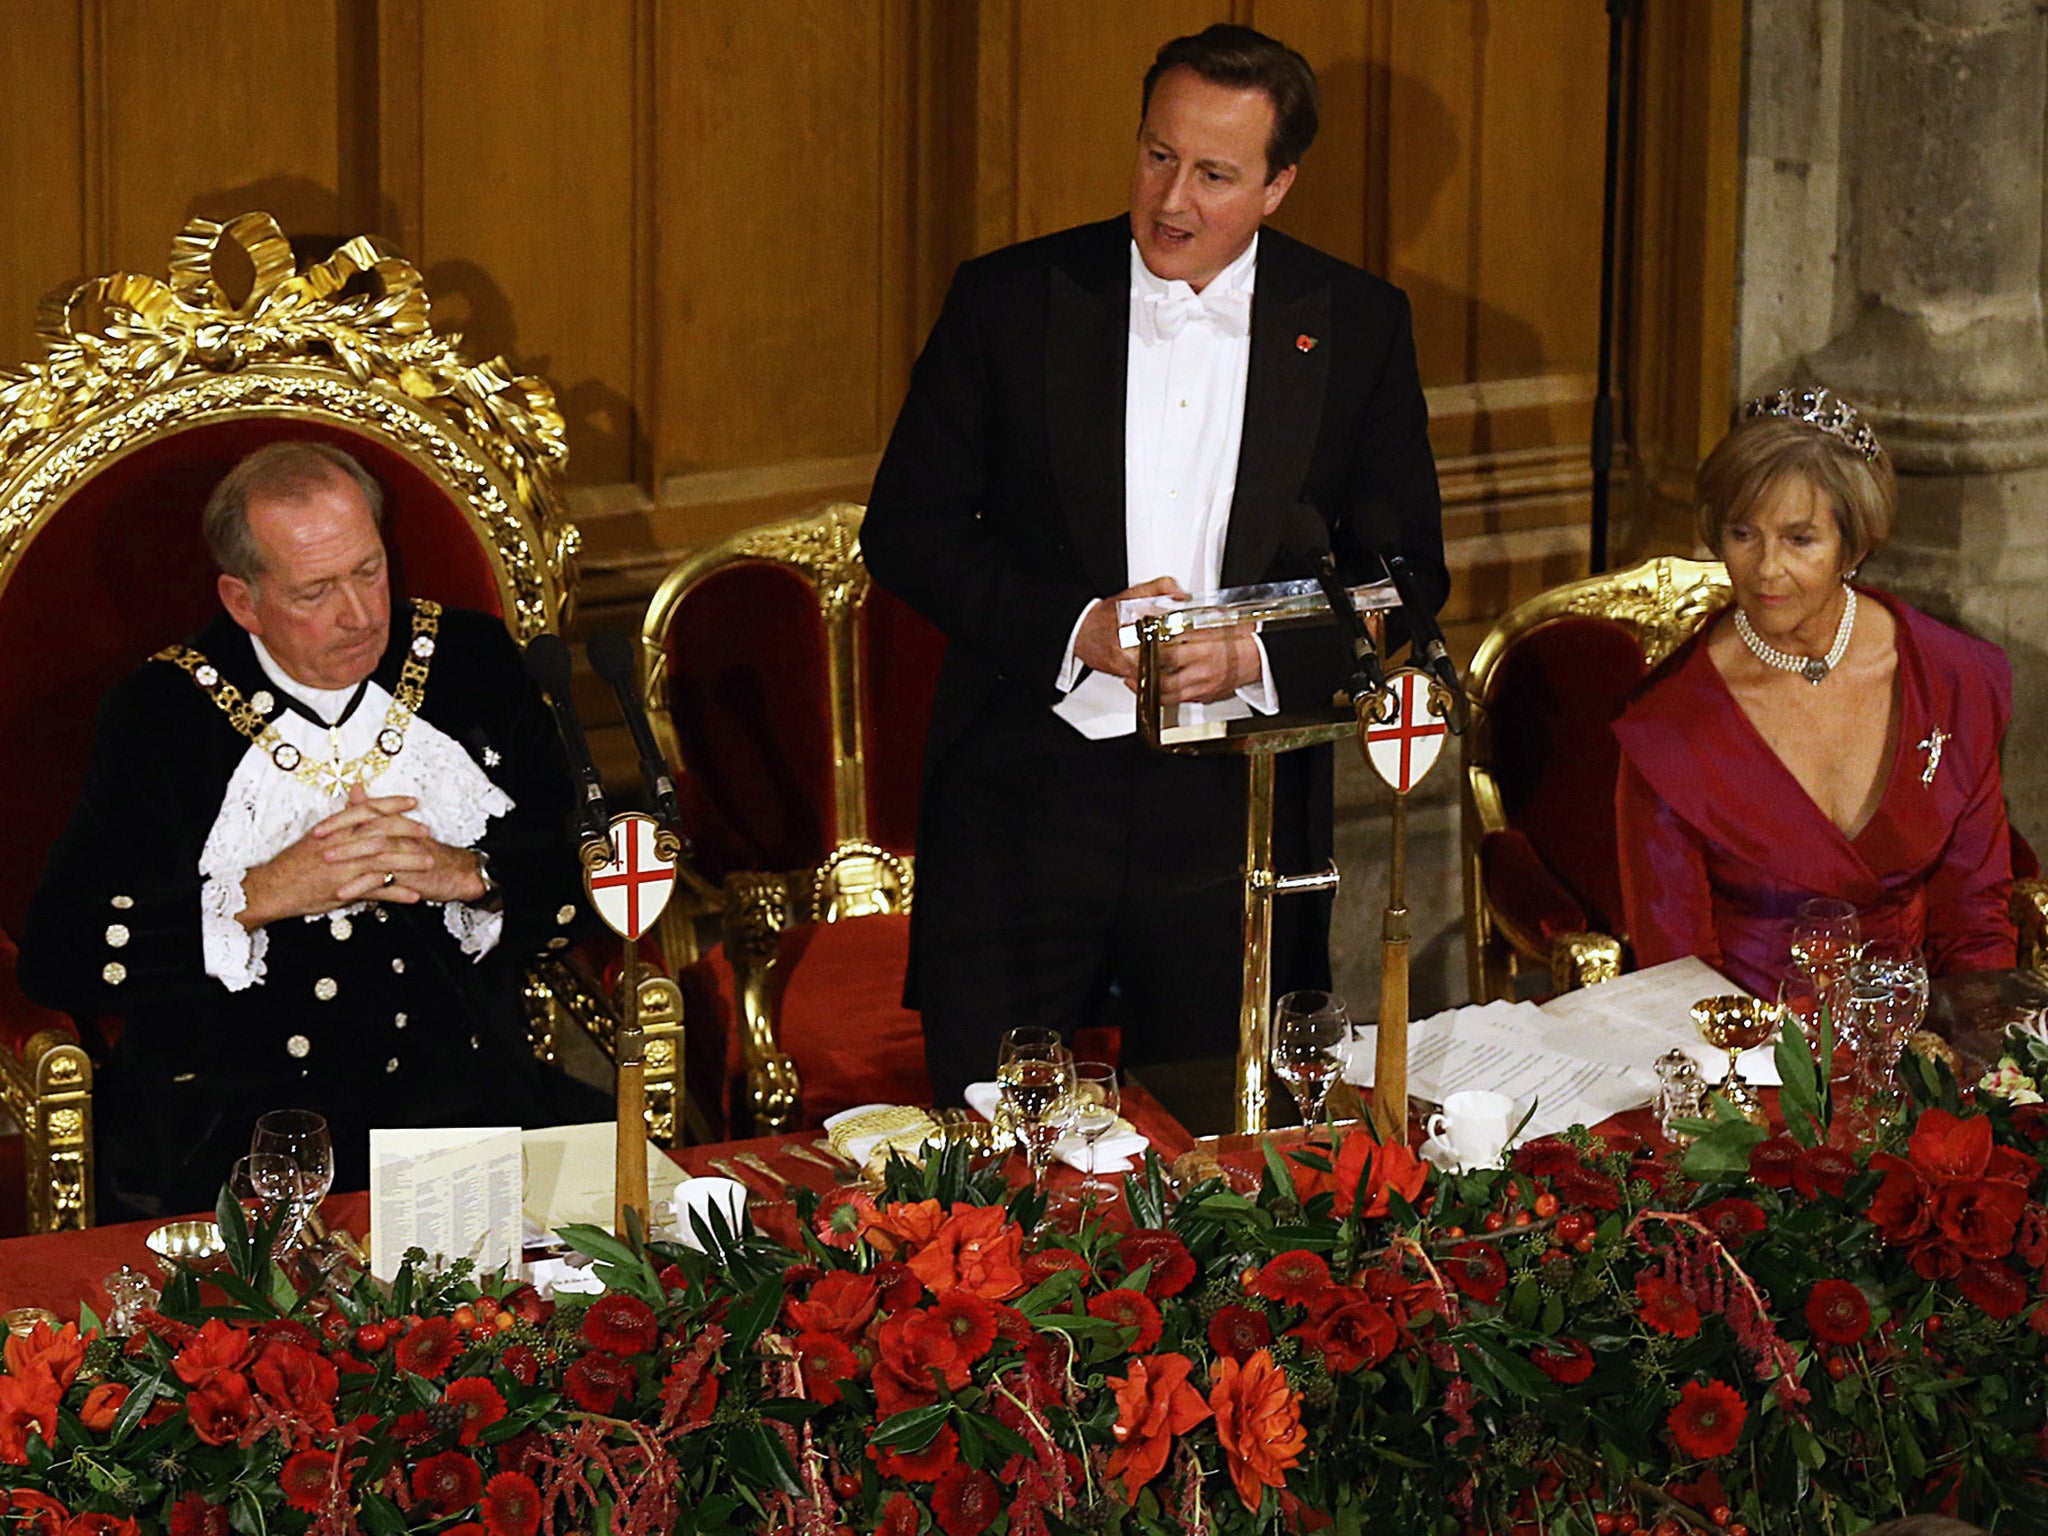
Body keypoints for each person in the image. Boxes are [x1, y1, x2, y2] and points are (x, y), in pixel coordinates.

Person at [862, 24, 1446, 1105]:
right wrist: (1075, 625)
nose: (1171, 200)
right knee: (987, 1165)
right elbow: (906, 529)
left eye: (1214, 174)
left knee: (1220, 1165)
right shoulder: (1010, 299)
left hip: (1238, 822)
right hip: (1024, 795)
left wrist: (1257, 655)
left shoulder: (1355, 324)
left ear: (1277, 185)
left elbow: (1405, 573)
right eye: (1155, 155)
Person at [20, 441, 606, 1219]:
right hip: (237, 1135)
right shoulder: (160, 715)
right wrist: (257, 894)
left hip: (470, 1107)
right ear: (242, 600)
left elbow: (597, 867)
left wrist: (471, 873)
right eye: (315, 591)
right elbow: (65, 953)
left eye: (369, 571)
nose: (360, 616)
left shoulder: (471, 662)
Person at [1614, 388, 2016, 998]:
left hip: (1927, 1052)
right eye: (1743, 533)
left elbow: (1975, 919)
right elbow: (1674, 976)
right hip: (1744, 1065)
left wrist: (1974, 1066)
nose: (1765, 569)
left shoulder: (1948, 678)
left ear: (1852, 547)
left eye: (1799, 540)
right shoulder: (1670, 728)